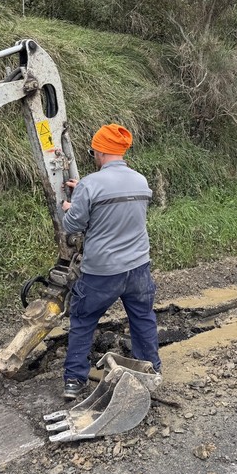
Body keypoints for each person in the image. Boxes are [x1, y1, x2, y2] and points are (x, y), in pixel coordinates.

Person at [60, 123, 160, 400]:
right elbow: (117, 207)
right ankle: (151, 371)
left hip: (102, 271)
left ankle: (74, 381)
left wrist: (71, 204)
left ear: (100, 152)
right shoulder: (140, 180)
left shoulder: (91, 185)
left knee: (83, 321)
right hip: (139, 267)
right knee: (142, 319)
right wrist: (85, 193)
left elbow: (72, 226)